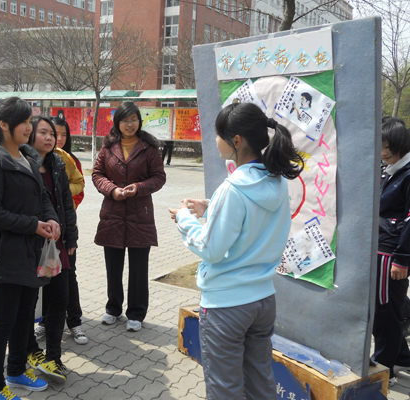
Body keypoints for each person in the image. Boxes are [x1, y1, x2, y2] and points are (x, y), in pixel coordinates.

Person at [169, 102, 303, 399]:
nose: (216, 140)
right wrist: (209, 207)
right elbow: (252, 222)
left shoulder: (233, 188)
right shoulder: (275, 180)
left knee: (225, 388)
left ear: (237, 141)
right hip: (263, 300)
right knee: (260, 383)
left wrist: (185, 218)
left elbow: (210, 249)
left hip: (227, 305)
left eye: (219, 134)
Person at [0, 97, 60, 400]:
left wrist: (51, 218)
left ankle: (16, 371)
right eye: (23, 122)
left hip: (31, 251)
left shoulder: (26, 156)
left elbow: (42, 196)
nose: (29, 127)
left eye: (29, 121)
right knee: (3, 323)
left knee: (24, 319)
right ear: (3, 125)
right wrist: (33, 225)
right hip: (6, 254)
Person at [92, 101, 166, 332]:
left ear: (139, 121)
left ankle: (136, 313)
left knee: (138, 268)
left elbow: (159, 177)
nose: (130, 124)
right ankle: (113, 308)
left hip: (140, 215)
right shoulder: (108, 146)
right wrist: (112, 190)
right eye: (125, 120)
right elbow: (97, 174)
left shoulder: (149, 147)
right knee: (113, 267)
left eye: (134, 119)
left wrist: (140, 187)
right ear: (118, 123)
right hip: (112, 214)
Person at [23, 116, 78, 382]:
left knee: (59, 298)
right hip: (31, 243)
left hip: (57, 244)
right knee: (29, 301)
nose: (50, 138)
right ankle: (29, 350)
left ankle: (54, 356)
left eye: (52, 134)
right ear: (29, 134)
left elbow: (66, 203)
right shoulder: (22, 163)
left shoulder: (58, 163)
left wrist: (71, 238)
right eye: (43, 132)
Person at [34, 117, 88, 345]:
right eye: (46, 133)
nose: (55, 138)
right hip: (39, 232)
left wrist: (62, 189)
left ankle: (74, 322)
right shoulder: (26, 161)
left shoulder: (64, 160)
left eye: (59, 134)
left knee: (67, 278)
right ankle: (44, 322)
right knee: (44, 279)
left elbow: (78, 187)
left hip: (63, 229)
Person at [373, 117, 410, 383]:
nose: (384, 152)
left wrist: (402, 258)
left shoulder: (406, 174)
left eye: (388, 146)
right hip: (383, 248)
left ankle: (384, 368)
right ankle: (402, 357)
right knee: (389, 308)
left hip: (391, 253)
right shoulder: (392, 171)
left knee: (385, 312)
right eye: (381, 146)